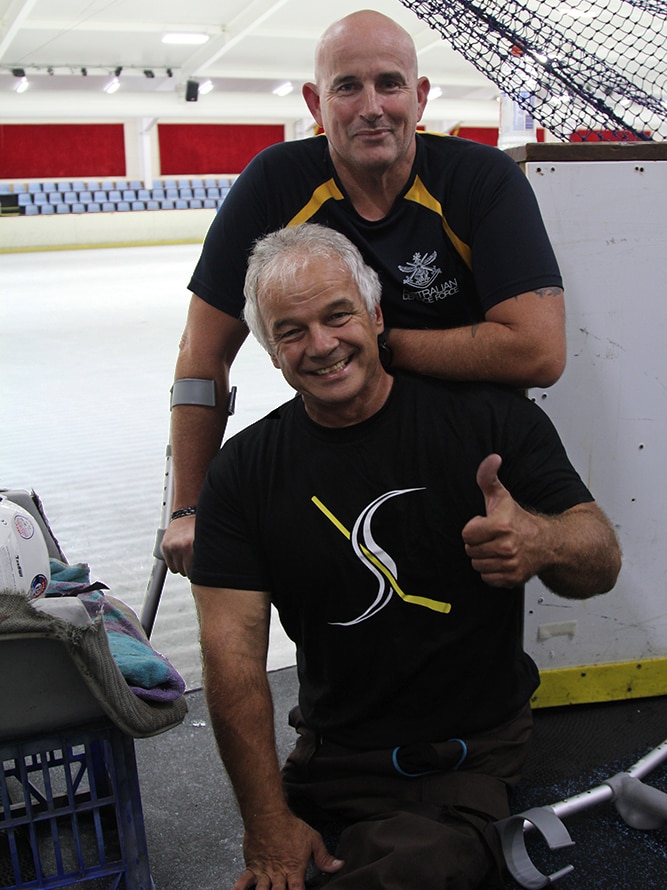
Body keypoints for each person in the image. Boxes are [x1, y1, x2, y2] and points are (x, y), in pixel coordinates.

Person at [190, 224, 620, 890]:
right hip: (331, 759)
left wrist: (541, 541)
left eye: (338, 316)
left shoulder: (487, 422)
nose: (322, 346)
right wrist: (266, 822)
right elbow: (231, 659)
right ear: (271, 350)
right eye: (292, 331)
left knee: (409, 872)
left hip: (465, 760)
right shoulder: (242, 474)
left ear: (377, 314)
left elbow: (600, 558)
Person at [164, 9, 567, 577]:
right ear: (315, 104)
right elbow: (200, 355)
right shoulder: (274, 185)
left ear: (420, 97)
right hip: (337, 454)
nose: (372, 107)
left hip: (465, 461)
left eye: (390, 84)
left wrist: (377, 345)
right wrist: (188, 506)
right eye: (347, 87)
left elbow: (539, 352)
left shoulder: (480, 179)